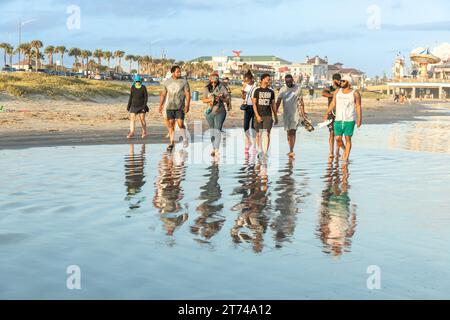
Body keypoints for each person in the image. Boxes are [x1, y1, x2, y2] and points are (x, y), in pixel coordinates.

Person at [323, 75, 362, 163]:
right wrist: (327, 113)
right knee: (338, 139)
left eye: (343, 81)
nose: (341, 82)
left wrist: (359, 119)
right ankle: (345, 150)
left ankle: (346, 158)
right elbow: (333, 103)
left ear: (349, 82)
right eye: (341, 81)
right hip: (338, 119)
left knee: (348, 138)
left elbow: (358, 106)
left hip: (349, 119)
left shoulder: (355, 93)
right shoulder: (337, 91)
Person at [159, 65, 191, 152]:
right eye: (178, 72)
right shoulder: (167, 82)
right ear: (172, 72)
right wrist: (161, 105)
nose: (179, 73)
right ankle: (171, 142)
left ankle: (185, 138)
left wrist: (187, 105)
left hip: (180, 106)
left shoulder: (184, 82)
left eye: (180, 71)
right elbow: (163, 94)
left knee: (180, 123)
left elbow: (188, 94)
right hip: (170, 106)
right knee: (171, 124)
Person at [276, 74, 306, 158]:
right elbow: (278, 101)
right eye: (287, 82)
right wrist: (274, 112)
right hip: (286, 114)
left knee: (293, 131)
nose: (288, 83)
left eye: (289, 81)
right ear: (285, 81)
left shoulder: (298, 88)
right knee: (288, 132)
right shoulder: (282, 89)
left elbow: (301, 102)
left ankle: (291, 150)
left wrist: (303, 113)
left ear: (292, 80)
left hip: (295, 113)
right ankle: (290, 148)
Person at [202, 72, 230, 157]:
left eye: (215, 81)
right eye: (212, 81)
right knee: (212, 131)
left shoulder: (222, 87)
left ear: (218, 80)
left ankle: (217, 150)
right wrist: (211, 100)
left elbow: (227, 99)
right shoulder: (206, 88)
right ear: (210, 80)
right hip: (210, 112)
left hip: (220, 111)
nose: (214, 83)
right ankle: (213, 148)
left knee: (217, 130)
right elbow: (203, 100)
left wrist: (221, 98)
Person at [252, 73, 278, 158]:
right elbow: (254, 104)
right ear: (262, 80)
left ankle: (265, 152)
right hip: (258, 115)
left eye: (269, 79)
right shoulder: (256, 90)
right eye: (268, 79)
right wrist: (257, 115)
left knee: (266, 133)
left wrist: (275, 116)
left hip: (268, 115)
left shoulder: (271, 92)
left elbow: (273, 104)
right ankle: (260, 151)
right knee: (258, 134)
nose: (269, 80)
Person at [322, 73, 343, 159]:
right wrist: (333, 95)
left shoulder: (342, 89)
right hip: (331, 113)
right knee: (331, 133)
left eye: (339, 80)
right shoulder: (329, 88)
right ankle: (331, 152)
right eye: (336, 80)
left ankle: (337, 152)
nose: (338, 81)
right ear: (333, 80)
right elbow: (323, 93)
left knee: (339, 134)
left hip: (341, 113)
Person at [126, 75, 149, 139]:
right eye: (136, 81)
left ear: (140, 81)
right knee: (132, 119)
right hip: (134, 106)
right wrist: (128, 106)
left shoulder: (143, 87)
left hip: (142, 106)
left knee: (142, 119)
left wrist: (144, 106)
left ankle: (144, 132)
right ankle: (132, 132)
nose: (137, 82)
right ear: (134, 81)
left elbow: (146, 97)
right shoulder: (133, 87)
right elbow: (131, 97)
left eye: (138, 81)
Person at [241, 71, 258, 152]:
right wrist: (243, 92)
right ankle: (248, 142)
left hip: (255, 107)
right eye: (246, 80)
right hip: (247, 106)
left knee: (253, 127)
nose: (247, 82)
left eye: (248, 80)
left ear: (252, 79)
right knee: (245, 126)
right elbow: (243, 97)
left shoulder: (256, 85)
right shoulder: (245, 85)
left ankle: (254, 145)